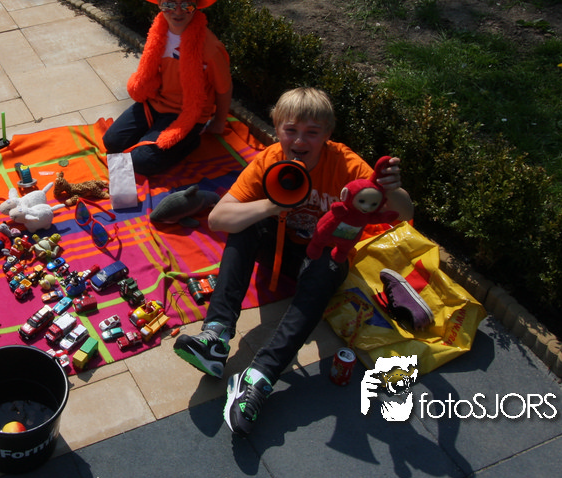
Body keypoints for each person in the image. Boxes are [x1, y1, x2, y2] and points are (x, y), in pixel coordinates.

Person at [173, 87, 413, 436]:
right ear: (277, 129)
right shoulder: (270, 160)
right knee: (244, 225)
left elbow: (405, 214)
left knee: (328, 267)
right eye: (291, 130)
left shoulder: (346, 165)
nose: (299, 140)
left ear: (327, 135)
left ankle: (261, 375)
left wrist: (390, 188)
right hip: (278, 249)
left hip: (321, 257)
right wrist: (273, 205)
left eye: (312, 133)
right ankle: (216, 335)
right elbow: (218, 219)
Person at [102, 0, 232, 176]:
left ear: (196, 6)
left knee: (140, 162)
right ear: (160, 4)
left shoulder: (211, 48)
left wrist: (219, 122)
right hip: (155, 104)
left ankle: (190, 140)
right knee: (112, 141)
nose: (178, 11)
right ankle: (153, 133)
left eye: (186, 5)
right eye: (169, 4)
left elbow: (224, 88)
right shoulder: (158, 33)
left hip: (188, 114)